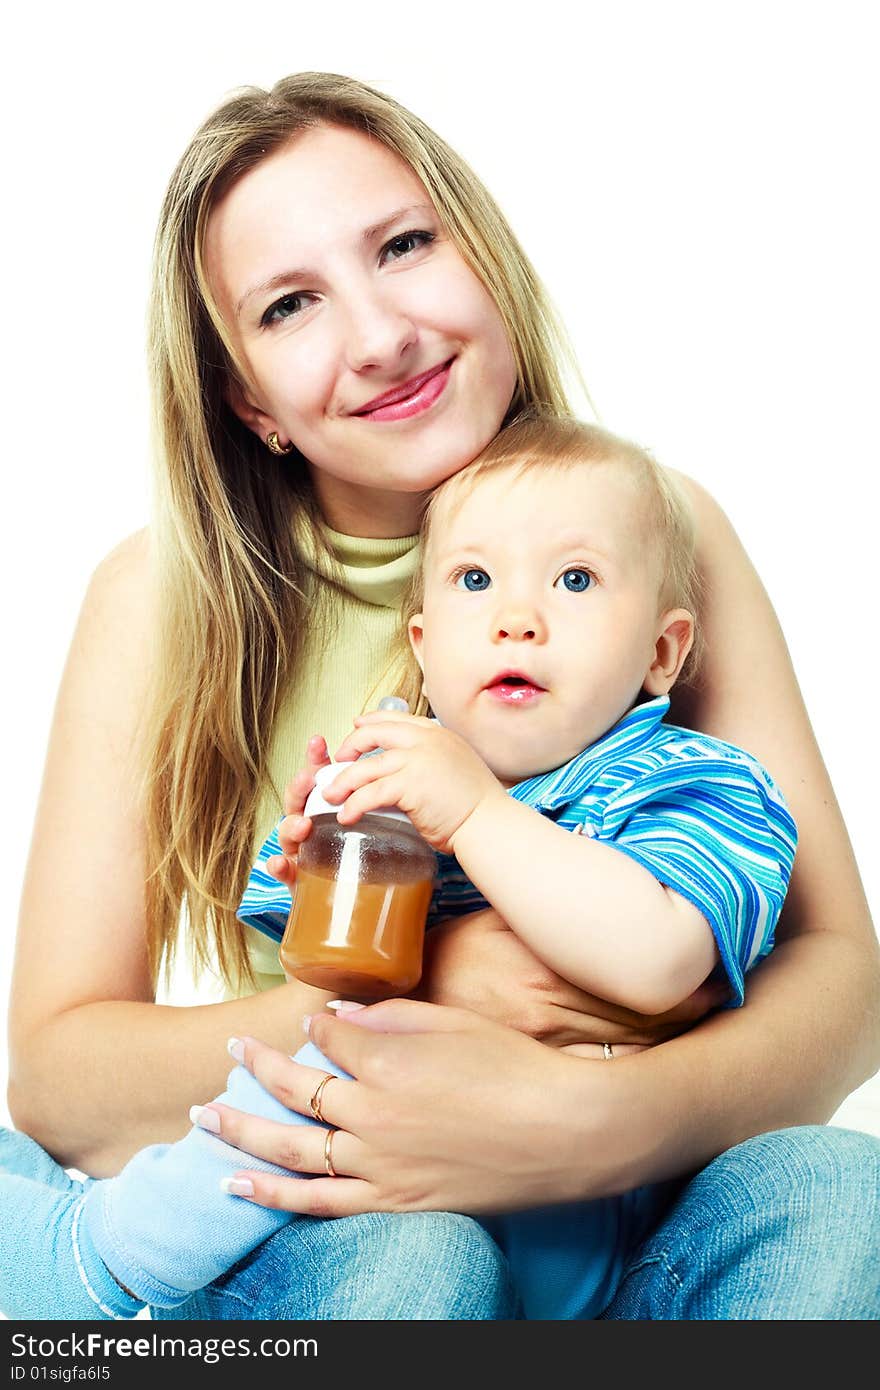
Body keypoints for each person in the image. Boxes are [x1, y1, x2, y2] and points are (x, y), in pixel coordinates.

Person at [3, 73, 878, 1321]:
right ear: (249, 399)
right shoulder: (158, 599)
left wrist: (596, 1125)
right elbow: (58, 1075)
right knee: (420, 1268)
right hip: (370, 1218)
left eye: (404, 245)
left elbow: (837, 978)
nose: (380, 337)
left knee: (843, 1197)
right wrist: (429, 985)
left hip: (632, 1201)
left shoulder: (663, 531)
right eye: (292, 304)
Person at [0, 416, 798, 1319]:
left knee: (824, 1183)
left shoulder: (698, 784)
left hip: (606, 1235)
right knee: (307, 1073)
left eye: (574, 580)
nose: (516, 618)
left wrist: (475, 814)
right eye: (474, 579)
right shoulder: (403, 777)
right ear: (423, 644)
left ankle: (96, 1240)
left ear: (663, 653)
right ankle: (106, 1250)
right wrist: (325, 871)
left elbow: (656, 959)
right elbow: (326, 983)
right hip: (381, 1213)